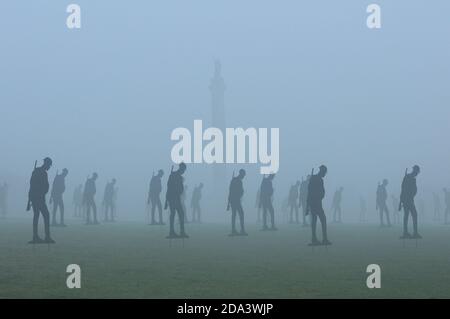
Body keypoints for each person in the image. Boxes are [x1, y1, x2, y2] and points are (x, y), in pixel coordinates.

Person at [27, 157, 55, 244]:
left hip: (37, 197)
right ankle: (44, 237)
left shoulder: (38, 171)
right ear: (46, 164)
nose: (49, 167)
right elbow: (33, 185)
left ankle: (37, 236)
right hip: (38, 198)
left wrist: (31, 198)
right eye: (49, 165)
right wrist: (31, 198)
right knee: (45, 215)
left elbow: (32, 185)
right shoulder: (41, 172)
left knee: (38, 215)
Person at [306, 165, 331, 246]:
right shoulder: (315, 179)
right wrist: (307, 205)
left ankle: (317, 239)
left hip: (316, 202)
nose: (325, 174)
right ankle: (320, 239)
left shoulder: (318, 179)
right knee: (321, 219)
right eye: (324, 172)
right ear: (322, 171)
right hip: (315, 203)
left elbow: (321, 191)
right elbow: (310, 192)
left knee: (316, 220)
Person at [165, 163, 188, 238]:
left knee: (181, 214)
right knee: (173, 214)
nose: (184, 171)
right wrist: (166, 200)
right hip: (172, 197)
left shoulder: (178, 177)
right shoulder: (173, 175)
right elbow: (168, 188)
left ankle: (182, 232)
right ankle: (172, 232)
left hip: (177, 197)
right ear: (181, 168)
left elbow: (181, 189)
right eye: (183, 170)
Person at [399, 165, 421, 239]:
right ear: (415, 171)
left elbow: (413, 190)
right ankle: (409, 233)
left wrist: (412, 195)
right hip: (407, 199)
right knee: (412, 215)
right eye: (417, 172)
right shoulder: (408, 177)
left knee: (408, 215)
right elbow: (403, 189)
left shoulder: (411, 178)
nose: (417, 173)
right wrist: (401, 201)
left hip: (409, 199)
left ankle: (409, 232)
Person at [227, 169, 248, 236]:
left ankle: (234, 230)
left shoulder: (235, 180)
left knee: (235, 214)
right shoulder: (237, 181)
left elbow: (231, 190)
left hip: (234, 199)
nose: (244, 176)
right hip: (235, 199)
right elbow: (232, 190)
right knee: (240, 214)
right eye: (243, 175)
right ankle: (241, 230)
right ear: (241, 174)